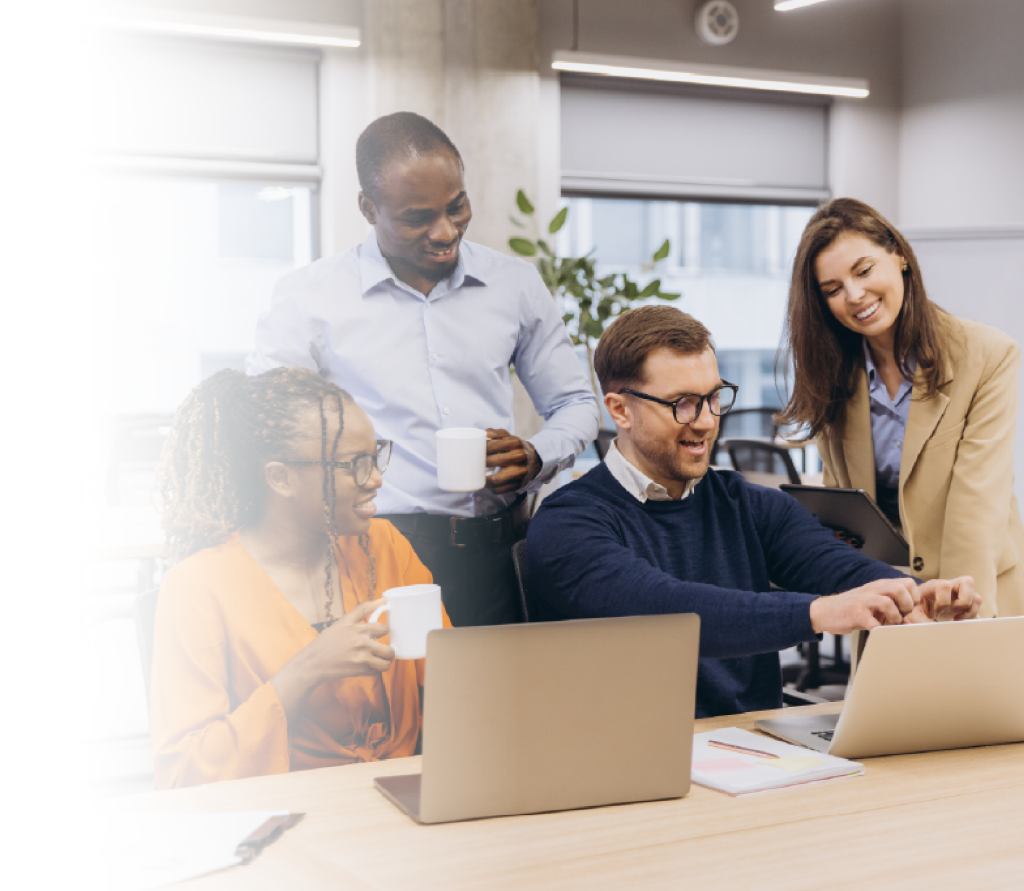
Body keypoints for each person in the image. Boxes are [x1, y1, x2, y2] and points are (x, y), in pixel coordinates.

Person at [527, 306, 980, 718]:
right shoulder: (568, 523)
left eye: (713, 397)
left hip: (757, 745)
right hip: (638, 762)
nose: (706, 420)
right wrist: (820, 613)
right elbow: (670, 611)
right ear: (620, 410)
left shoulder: (742, 502)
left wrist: (916, 595)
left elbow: (834, 565)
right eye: (683, 404)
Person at [246, 112, 599, 627]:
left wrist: (537, 454)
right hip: (377, 551)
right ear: (369, 208)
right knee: (402, 705)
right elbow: (266, 422)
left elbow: (576, 403)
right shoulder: (309, 299)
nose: (444, 231)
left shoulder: (515, 285)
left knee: (501, 704)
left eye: (457, 207)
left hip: (502, 552)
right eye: (417, 217)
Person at [150, 367, 450, 790]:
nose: (377, 479)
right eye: (354, 466)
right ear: (280, 478)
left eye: (376, 456)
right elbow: (185, 773)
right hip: (281, 816)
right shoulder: (198, 587)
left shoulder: (384, 545)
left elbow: (456, 689)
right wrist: (307, 670)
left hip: (403, 796)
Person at [777, 198, 1024, 618]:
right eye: (833, 290)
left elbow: (977, 507)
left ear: (899, 256)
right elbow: (845, 509)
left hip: (973, 591)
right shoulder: (832, 372)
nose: (855, 296)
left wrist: (959, 617)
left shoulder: (986, 355)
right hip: (881, 594)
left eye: (864, 270)